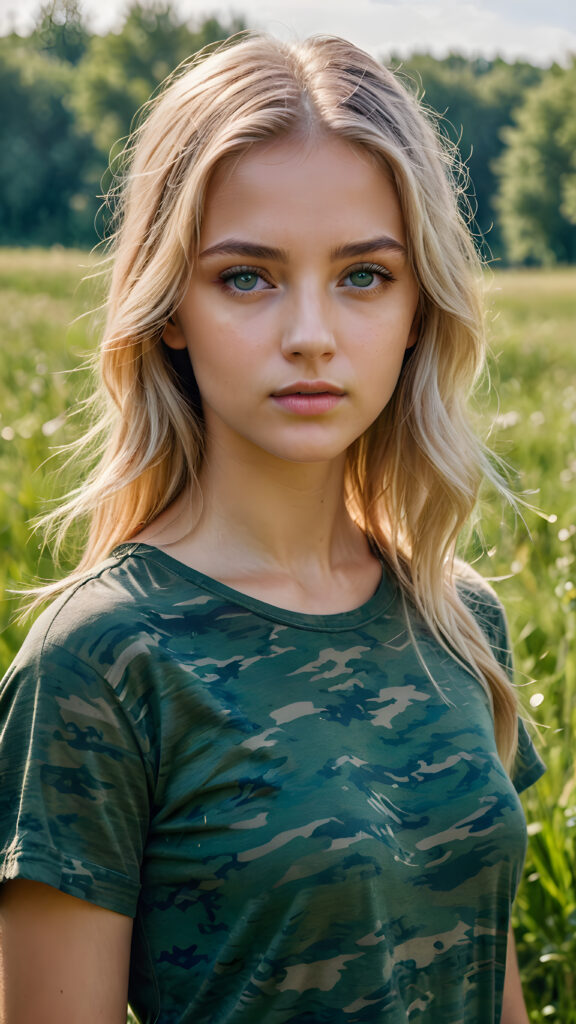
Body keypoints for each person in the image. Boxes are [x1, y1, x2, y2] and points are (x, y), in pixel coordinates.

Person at [0, 32, 544, 1024]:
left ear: (420, 303)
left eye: (364, 276)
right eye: (246, 277)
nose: (309, 333)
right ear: (170, 307)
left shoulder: (459, 620)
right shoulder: (99, 662)